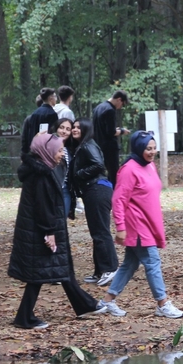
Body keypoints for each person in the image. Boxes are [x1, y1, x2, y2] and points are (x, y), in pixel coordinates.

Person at [8, 133, 107, 329]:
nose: (62, 154)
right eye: (59, 150)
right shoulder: (41, 175)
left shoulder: (43, 168)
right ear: (47, 151)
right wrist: (49, 232)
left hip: (42, 228)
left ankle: (84, 305)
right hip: (40, 231)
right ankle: (24, 317)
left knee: (61, 266)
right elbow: (43, 207)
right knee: (39, 273)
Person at [98, 131, 183, 319]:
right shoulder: (129, 169)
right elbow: (119, 200)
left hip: (149, 222)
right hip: (136, 224)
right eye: (148, 149)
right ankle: (162, 303)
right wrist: (120, 227)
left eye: (154, 148)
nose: (152, 152)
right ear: (138, 148)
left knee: (130, 264)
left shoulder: (150, 165)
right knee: (152, 262)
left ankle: (107, 301)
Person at [71, 117, 119, 285]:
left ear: (86, 129)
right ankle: (100, 271)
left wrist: (78, 174)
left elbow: (99, 165)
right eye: (74, 127)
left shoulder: (87, 145)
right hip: (93, 191)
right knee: (97, 231)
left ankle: (110, 268)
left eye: (78, 127)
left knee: (100, 231)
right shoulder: (82, 146)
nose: (75, 129)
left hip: (97, 189)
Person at [92, 90, 130, 186]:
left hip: (98, 144)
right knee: (113, 173)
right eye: (122, 104)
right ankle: (113, 191)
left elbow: (102, 128)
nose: (121, 107)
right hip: (109, 147)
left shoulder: (98, 107)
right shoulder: (110, 110)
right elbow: (111, 132)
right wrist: (122, 131)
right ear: (119, 100)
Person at [21, 88, 59, 154]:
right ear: (51, 98)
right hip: (45, 151)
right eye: (55, 96)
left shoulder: (35, 113)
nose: (56, 99)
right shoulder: (52, 114)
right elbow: (52, 134)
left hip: (33, 149)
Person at [50, 118, 74, 217]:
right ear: (56, 128)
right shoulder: (48, 145)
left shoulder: (70, 149)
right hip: (51, 190)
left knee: (62, 221)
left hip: (65, 191)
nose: (64, 131)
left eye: (68, 129)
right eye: (61, 127)